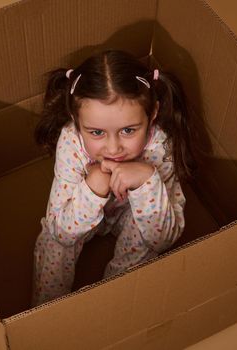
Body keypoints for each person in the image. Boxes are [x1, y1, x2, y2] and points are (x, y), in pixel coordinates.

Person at [31, 49, 198, 307]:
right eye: (97, 132)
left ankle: (113, 303)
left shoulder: (160, 145)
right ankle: (46, 315)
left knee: (145, 237)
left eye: (129, 130)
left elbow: (162, 239)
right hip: (79, 214)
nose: (113, 148)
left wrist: (147, 179)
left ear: (152, 113)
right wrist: (93, 187)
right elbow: (60, 231)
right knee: (53, 244)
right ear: (76, 121)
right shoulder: (71, 141)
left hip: (128, 214)